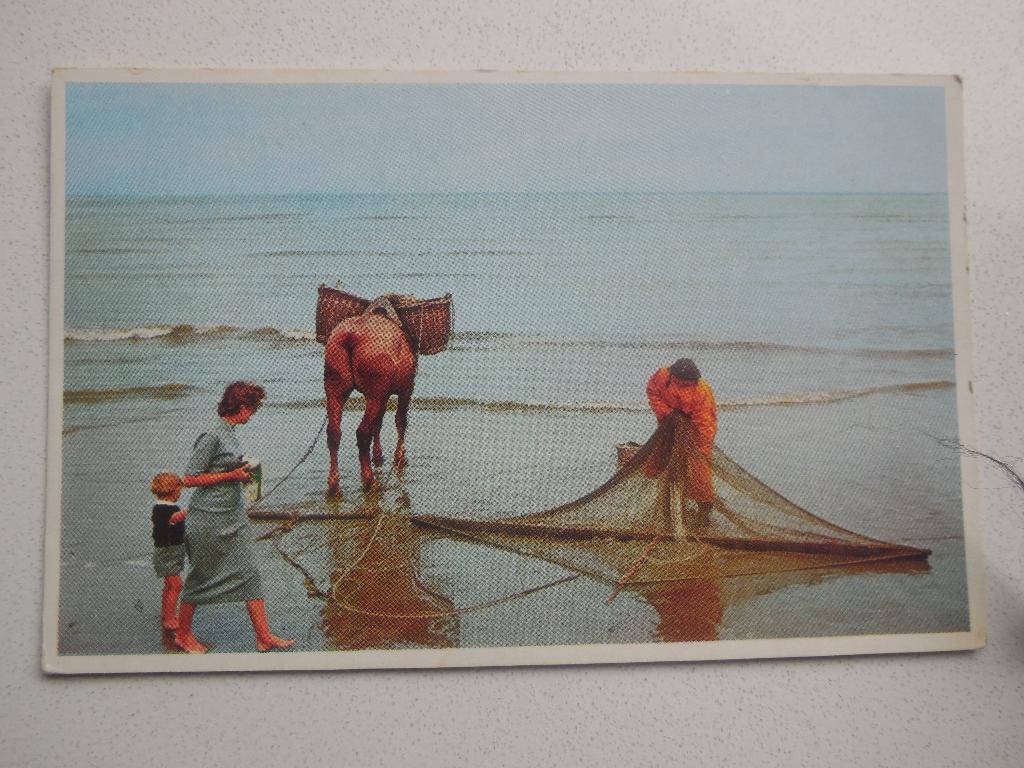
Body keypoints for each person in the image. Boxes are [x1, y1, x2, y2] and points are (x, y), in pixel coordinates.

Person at [173, 381, 294, 654]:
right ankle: (182, 635)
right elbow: (189, 479)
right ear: (240, 407)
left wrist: (243, 471)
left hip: (233, 517)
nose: (252, 415)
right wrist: (231, 475)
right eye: (251, 409)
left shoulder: (230, 432)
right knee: (201, 576)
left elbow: (224, 467)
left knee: (250, 573)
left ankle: (263, 637)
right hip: (209, 519)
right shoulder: (213, 435)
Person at [646, 358, 718, 531]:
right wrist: (667, 412)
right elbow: (653, 392)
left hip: (694, 429)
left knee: (699, 470)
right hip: (668, 425)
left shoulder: (702, 391)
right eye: (685, 382)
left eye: (690, 383)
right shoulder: (662, 376)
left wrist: (699, 449)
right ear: (674, 375)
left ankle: (704, 510)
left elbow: (705, 425)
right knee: (664, 465)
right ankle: (671, 507)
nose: (688, 385)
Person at [149, 472, 188, 630]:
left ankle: (167, 613)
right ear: (172, 492)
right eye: (179, 491)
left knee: (169, 585)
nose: (179, 494)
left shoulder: (159, 507)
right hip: (168, 553)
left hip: (168, 551)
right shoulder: (165, 509)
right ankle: (169, 619)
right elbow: (174, 519)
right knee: (176, 585)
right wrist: (189, 511)